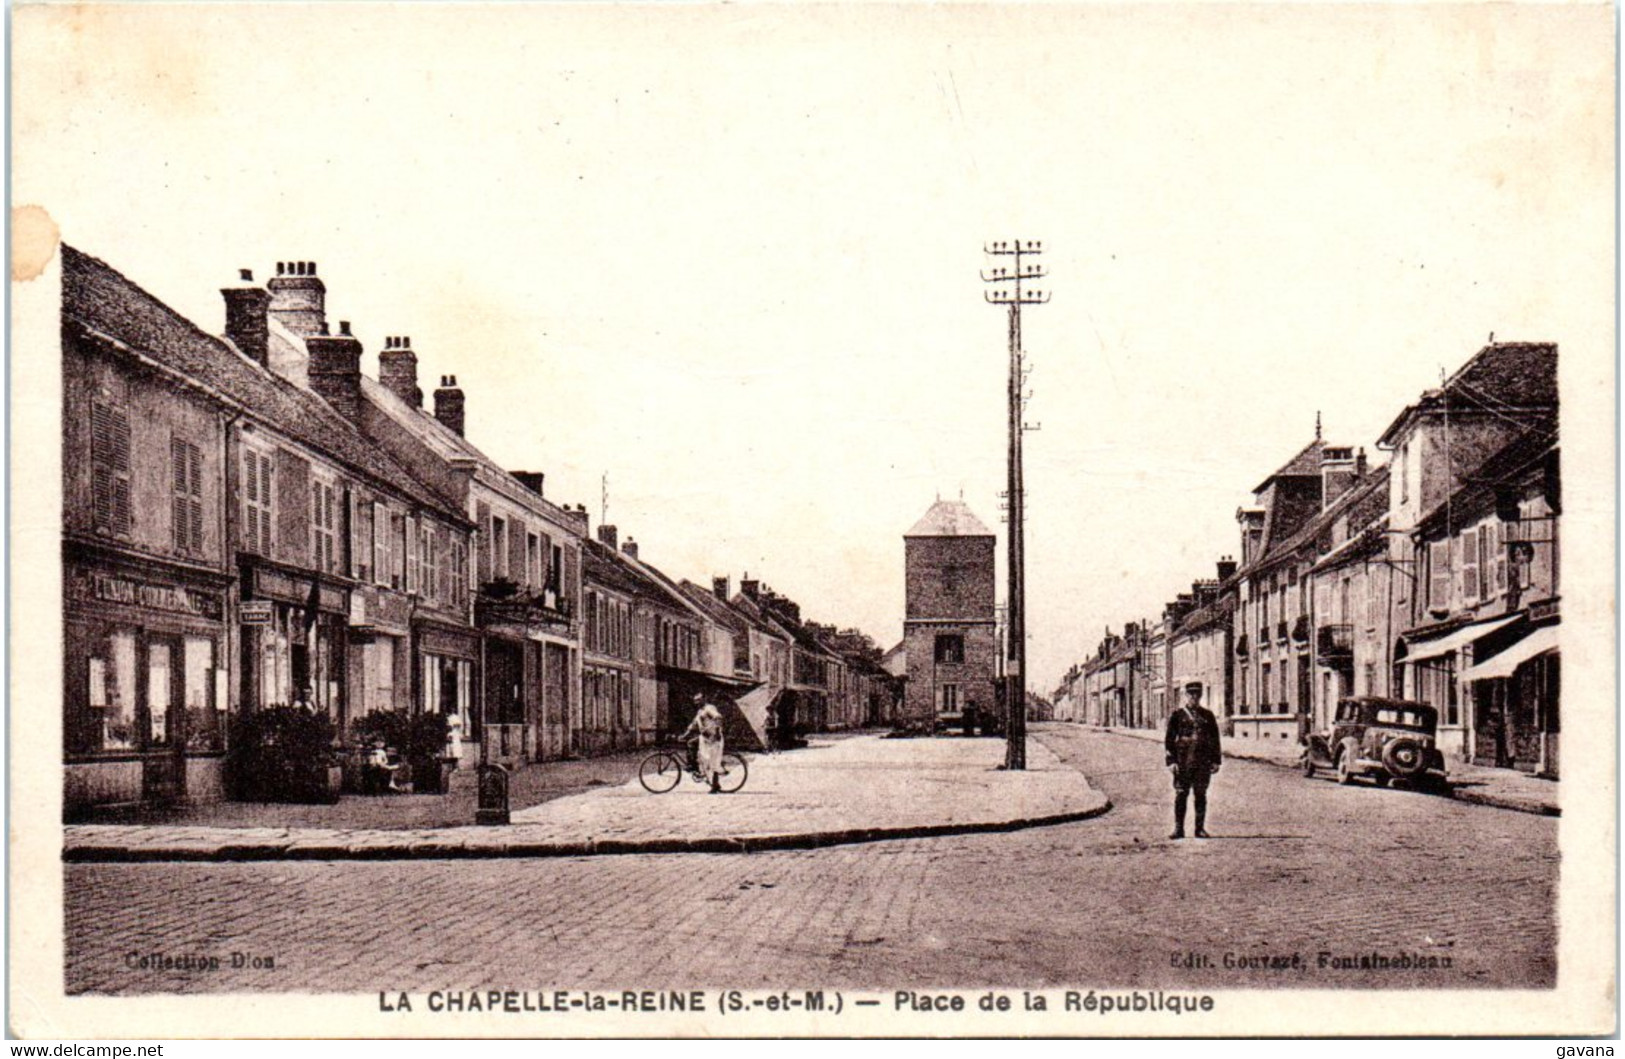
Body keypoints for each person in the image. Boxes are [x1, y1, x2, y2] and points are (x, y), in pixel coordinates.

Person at [1164, 681, 1222, 839]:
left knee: (1201, 795)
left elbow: (1215, 739)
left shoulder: (1208, 716)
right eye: (1191, 694)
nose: (1194, 698)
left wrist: (1216, 761)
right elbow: (1169, 740)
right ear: (1186, 696)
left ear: (1201, 695)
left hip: (1202, 762)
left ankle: (1199, 829)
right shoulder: (1178, 715)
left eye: (1197, 694)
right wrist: (1171, 761)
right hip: (1183, 762)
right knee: (1181, 795)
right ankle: (1178, 829)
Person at [681, 694, 727, 794]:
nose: (696, 703)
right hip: (705, 738)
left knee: (713, 762)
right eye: (695, 701)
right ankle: (694, 767)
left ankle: (715, 786)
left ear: (703, 700)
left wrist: (718, 731)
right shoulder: (700, 711)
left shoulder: (709, 708)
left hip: (714, 738)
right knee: (691, 744)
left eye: (698, 700)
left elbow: (718, 717)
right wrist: (684, 736)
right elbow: (693, 725)